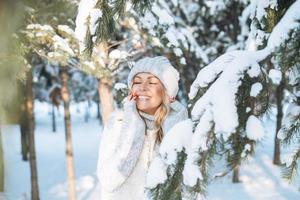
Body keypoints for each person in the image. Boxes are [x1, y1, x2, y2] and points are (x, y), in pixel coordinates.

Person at [97, 56, 188, 200]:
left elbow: (187, 186)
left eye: (152, 82)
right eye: (137, 81)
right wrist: (133, 127)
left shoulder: (181, 128)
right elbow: (109, 181)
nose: (142, 87)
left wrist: (175, 121)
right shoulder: (118, 123)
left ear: (167, 92)